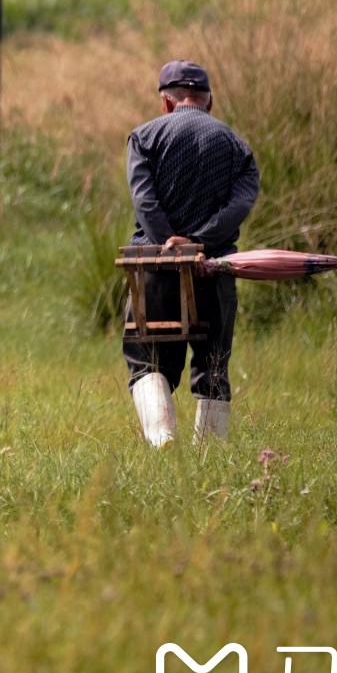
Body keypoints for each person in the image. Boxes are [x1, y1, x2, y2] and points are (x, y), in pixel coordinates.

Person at [124, 60, 260, 446]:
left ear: (166, 103)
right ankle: (211, 461)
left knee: (147, 360)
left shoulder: (143, 137)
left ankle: (163, 438)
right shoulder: (238, 147)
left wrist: (171, 243)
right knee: (214, 366)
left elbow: (145, 203)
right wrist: (200, 245)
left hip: (153, 271)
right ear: (209, 101)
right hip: (213, 271)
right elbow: (239, 205)